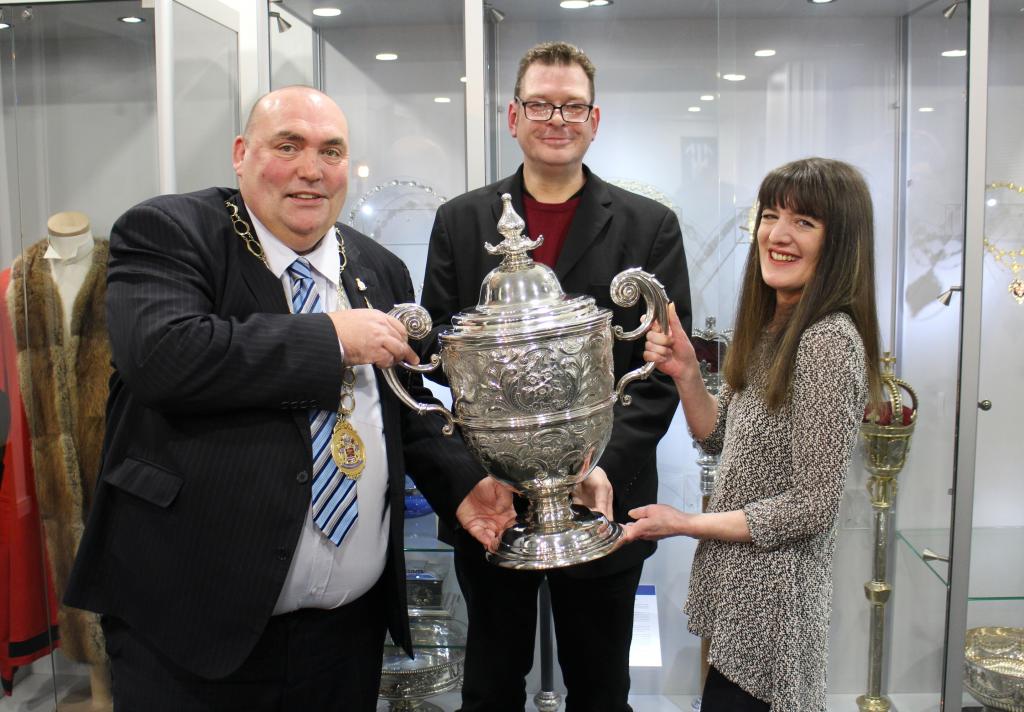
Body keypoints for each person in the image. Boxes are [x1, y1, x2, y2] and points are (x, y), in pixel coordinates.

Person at [64, 86, 515, 712]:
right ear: (241, 154)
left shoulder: (378, 267)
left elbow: (402, 408)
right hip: (194, 635)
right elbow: (164, 357)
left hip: (346, 636)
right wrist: (332, 339)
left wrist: (465, 483)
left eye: (331, 151)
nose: (311, 169)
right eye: (288, 145)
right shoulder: (170, 231)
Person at [419, 42, 692, 712]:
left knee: (602, 690)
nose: (556, 118)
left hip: (604, 497)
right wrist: (476, 472)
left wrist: (603, 464)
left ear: (595, 121)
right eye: (540, 104)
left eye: (572, 106)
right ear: (514, 116)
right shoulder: (460, 222)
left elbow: (660, 373)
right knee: (488, 687)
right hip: (495, 504)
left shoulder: (648, 225)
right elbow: (437, 360)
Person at [623, 157, 883, 711]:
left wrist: (686, 523)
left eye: (805, 222)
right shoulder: (775, 326)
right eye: (771, 215)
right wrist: (689, 375)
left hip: (776, 614)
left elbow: (813, 505)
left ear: (840, 242)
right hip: (743, 602)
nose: (778, 235)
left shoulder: (827, 341)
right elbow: (723, 440)